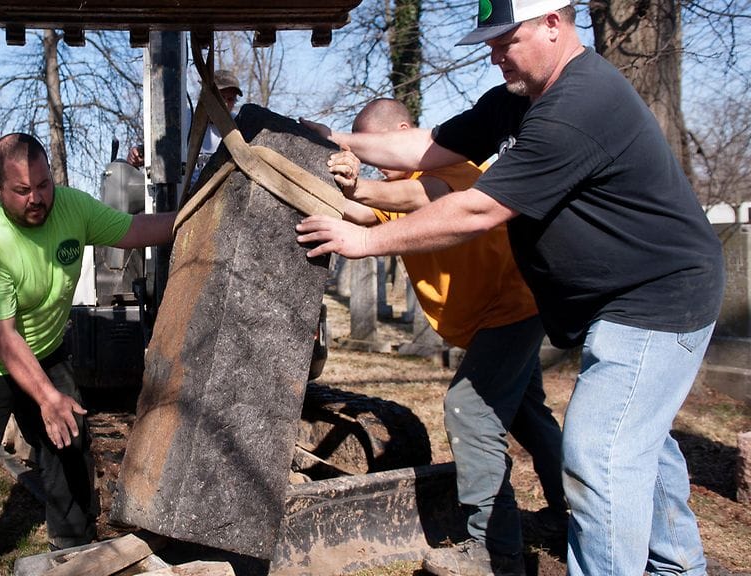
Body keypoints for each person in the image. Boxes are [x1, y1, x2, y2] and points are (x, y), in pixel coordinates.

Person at [296, 1, 724, 575]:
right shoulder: (519, 100)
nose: (495, 55)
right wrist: (333, 137)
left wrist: (364, 240)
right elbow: (424, 147)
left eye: (506, 41)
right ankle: (677, 567)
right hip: (616, 300)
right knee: (637, 443)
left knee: (599, 454)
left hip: (656, 298)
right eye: (490, 43)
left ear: (553, 23)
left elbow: (477, 208)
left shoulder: (578, 105)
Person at [0, 132, 176, 576]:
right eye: (22, 190)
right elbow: (1, 337)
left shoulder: (72, 207)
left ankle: (73, 552)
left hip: (44, 347)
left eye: (43, 185)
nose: (36, 198)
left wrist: (193, 216)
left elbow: (132, 231)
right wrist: (47, 397)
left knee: (69, 440)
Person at [336, 97, 566, 575]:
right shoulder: (393, 189)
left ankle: (495, 551)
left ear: (403, 133)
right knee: (529, 418)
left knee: (469, 411)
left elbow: (425, 197)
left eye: (374, 148)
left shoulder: (452, 165)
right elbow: (361, 214)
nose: (372, 159)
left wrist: (359, 186)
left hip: (511, 310)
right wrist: (326, 188)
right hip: (493, 319)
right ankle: (571, 517)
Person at [127, 69, 244, 183]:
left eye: (230, 99)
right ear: (207, 95)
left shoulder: (238, 126)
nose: (225, 104)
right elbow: (158, 150)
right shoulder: (184, 120)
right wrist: (140, 154)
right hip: (183, 192)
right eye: (221, 97)